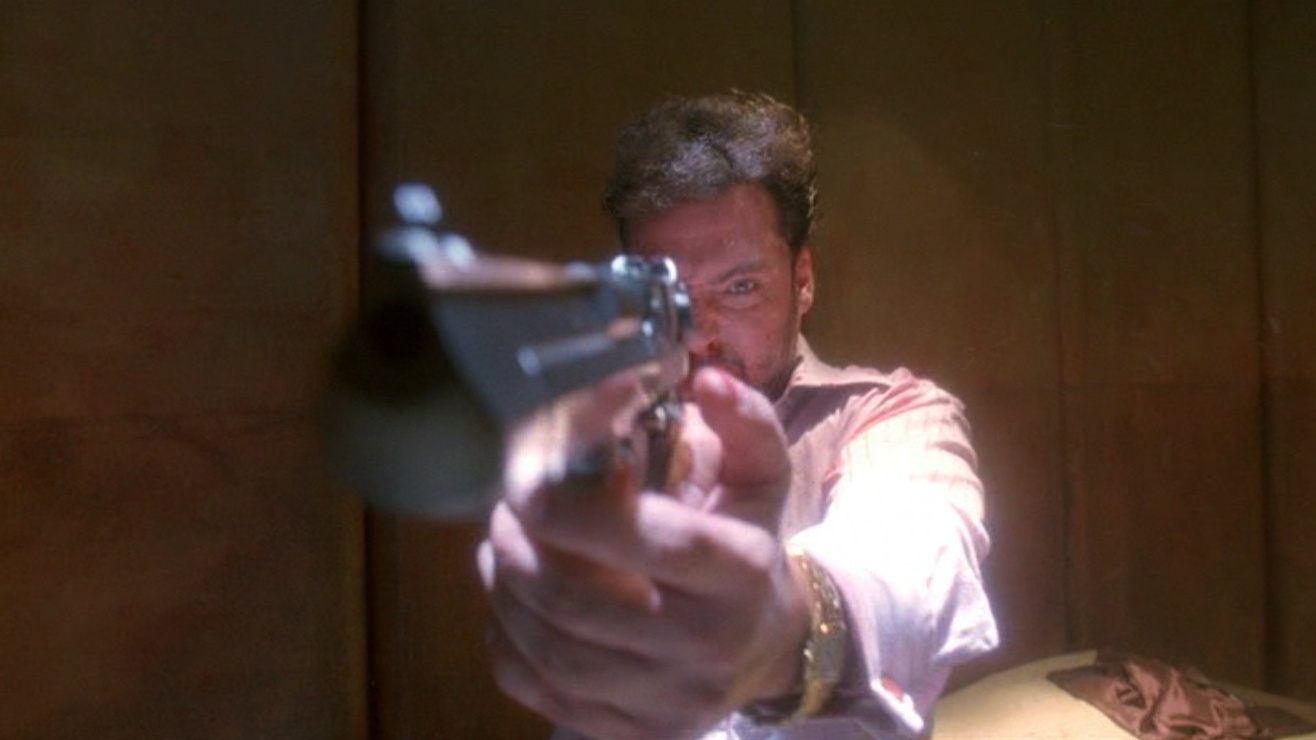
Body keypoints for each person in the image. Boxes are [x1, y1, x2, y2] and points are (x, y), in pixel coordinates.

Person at [477, 90, 998, 739]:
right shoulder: (607, 435)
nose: (700, 336)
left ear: (802, 280)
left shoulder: (887, 416)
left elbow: (913, 556)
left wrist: (783, 622)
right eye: (669, 297)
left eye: (740, 288)